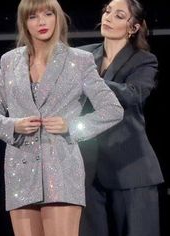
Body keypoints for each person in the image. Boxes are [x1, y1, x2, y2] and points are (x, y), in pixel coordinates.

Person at [0, 0, 124, 235]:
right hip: (21, 168)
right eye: (33, 16)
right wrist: (13, 125)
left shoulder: (79, 60)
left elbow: (112, 109)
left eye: (48, 14)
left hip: (62, 168)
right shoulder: (9, 61)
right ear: (24, 22)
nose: (42, 22)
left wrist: (72, 126)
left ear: (58, 18)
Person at [78, 0, 164, 236]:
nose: (108, 17)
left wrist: (93, 82)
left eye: (118, 15)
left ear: (133, 27)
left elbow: (134, 95)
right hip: (87, 170)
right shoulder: (82, 56)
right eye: (107, 11)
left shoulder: (144, 60)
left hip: (131, 169)